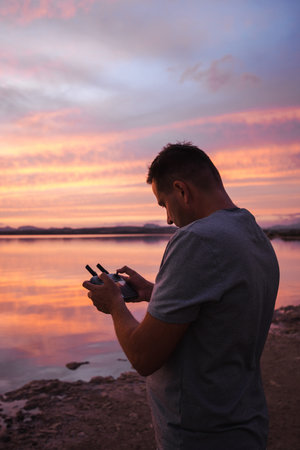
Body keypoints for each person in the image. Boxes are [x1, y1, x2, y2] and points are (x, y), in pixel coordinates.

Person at [83, 142, 279, 450]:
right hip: (243, 420)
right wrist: (154, 292)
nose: (169, 220)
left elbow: (143, 356)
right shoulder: (253, 233)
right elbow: (221, 306)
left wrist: (114, 303)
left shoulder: (197, 239)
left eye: (163, 204)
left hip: (200, 434)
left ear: (181, 190)